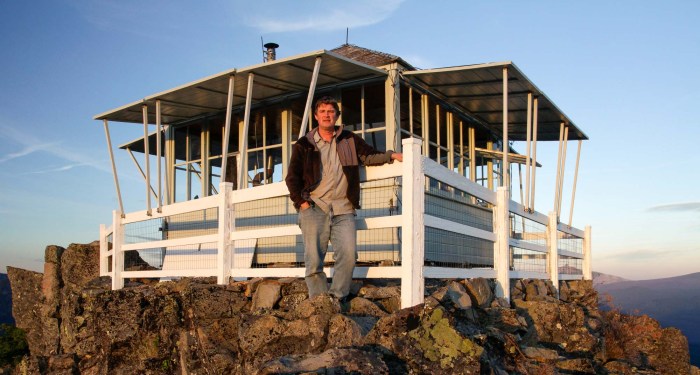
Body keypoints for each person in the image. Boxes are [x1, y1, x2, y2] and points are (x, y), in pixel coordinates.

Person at [285, 96, 403, 300]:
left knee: (348, 256)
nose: (326, 115)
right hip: (314, 207)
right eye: (322, 111)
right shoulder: (304, 144)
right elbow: (292, 178)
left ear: (337, 116)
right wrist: (302, 204)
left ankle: (337, 298)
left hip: (344, 208)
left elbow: (369, 156)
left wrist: (391, 155)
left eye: (331, 111)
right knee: (313, 260)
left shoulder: (349, 139)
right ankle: (319, 302)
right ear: (316, 116)